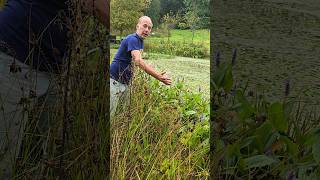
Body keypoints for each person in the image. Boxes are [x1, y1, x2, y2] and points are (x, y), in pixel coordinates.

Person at [0, 0, 109, 178]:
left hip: (49, 67)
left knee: (39, 158)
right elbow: (95, 4)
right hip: (12, 56)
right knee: (4, 156)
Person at [110, 16, 172, 116]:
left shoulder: (140, 42)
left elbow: (134, 63)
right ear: (137, 26)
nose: (147, 30)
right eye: (145, 26)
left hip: (125, 83)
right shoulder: (133, 39)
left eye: (149, 28)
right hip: (114, 82)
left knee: (121, 116)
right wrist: (158, 76)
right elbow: (138, 60)